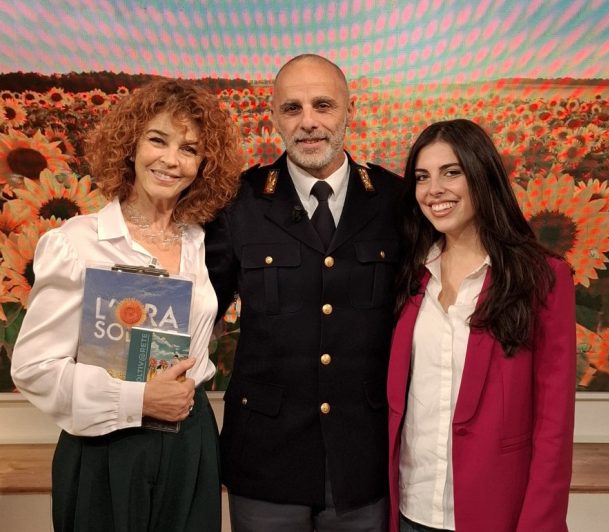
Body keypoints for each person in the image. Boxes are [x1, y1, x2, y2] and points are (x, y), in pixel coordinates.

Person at [11, 78, 242, 532]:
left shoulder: (201, 243)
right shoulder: (76, 243)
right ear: (130, 145)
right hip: (106, 446)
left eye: (189, 149)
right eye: (157, 140)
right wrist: (139, 399)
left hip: (190, 441)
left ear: (204, 164)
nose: (171, 160)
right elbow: (34, 368)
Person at [205, 54, 402, 531]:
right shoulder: (238, 202)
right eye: (292, 108)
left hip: (363, 459)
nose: (308, 121)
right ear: (274, 117)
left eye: (323, 105)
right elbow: (198, 311)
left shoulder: (395, 201)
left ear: (350, 111)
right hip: (265, 459)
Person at [388, 119, 576, 532]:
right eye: (422, 177)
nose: (434, 189)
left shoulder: (542, 277)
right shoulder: (410, 273)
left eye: (451, 172)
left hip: (494, 514)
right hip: (410, 510)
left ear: (482, 174)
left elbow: (554, 426)